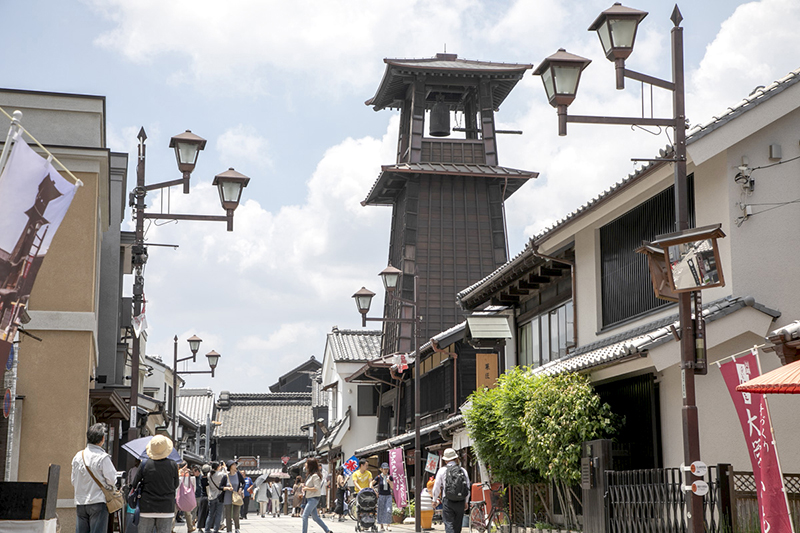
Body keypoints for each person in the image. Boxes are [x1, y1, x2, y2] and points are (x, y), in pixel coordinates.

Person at [71, 423, 117, 533]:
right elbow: (112, 480)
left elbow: (73, 480)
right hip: (98, 500)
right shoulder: (103, 457)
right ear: (102, 438)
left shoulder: (78, 456)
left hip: (80, 501)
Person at [131, 435, 180, 533]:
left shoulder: (144, 464)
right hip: (166, 508)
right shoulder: (173, 464)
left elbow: (134, 483)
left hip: (146, 507)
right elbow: (175, 484)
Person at [432, 448, 470, 533]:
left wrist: (434, 500)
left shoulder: (442, 470)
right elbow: (467, 487)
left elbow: (436, 486)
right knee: (457, 526)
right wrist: (466, 501)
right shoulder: (463, 470)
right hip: (460, 501)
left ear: (445, 460)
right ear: (456, 458)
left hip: (448, 501)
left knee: (449, 524)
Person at [301, 458, 331, 533]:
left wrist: (306, 488)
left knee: (305, 516)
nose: (305, 464)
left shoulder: (315, 476)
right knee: (315, 517)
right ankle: (327, 531)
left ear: (310, 465)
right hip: (310, 498)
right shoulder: (310, 475)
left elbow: (316, 488)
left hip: (313, 499)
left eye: (307, 463)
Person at [222, 460, 245, 533]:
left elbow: (243, 483)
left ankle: (237, 528)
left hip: (236, 496)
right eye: (234, 465)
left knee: (236, 514)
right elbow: (220, 487)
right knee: (228, 515)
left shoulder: (238, 474)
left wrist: (241, 489)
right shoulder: (226, 476)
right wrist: (227, 488)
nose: (235, 466)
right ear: (230, 467)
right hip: (227, 496)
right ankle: (229, 530)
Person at [205, 461, 227, 533]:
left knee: (210, 514)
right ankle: (215, 529)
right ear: (218, 467)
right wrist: (224, 467)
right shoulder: (220, 474)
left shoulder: (209, 474)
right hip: (219, 496)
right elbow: (226, 475)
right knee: (218, 514)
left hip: (211, 496)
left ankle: (207, 529)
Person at [371, 462, 394, 531]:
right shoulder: (378, 477)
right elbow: (371, 484)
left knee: (388, 510)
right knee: (380, 510)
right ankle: (381, 526)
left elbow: (392, 487)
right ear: (381, 469)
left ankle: (388, 525)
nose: (386, 470)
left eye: (387, 469)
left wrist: (389, 482)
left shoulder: (390, 477)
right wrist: (375, 492)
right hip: (381, 495)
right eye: (384, 469)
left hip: (388, 495)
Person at [178, 462, 198, 532]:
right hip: (186, 497)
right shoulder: (190, 476)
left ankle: (171, 528)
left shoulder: (178, 475)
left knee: (174, 513)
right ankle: (190, 527)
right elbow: (194, 488)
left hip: (177, 496)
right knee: (188, 513)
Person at [196, 465, 210, 533]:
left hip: (202, 496)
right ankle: (207, 527)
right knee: (208, 513)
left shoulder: (201, 478)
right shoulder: (209, 478)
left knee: (201, 512)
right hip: (208, 496)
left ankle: (200, 527)